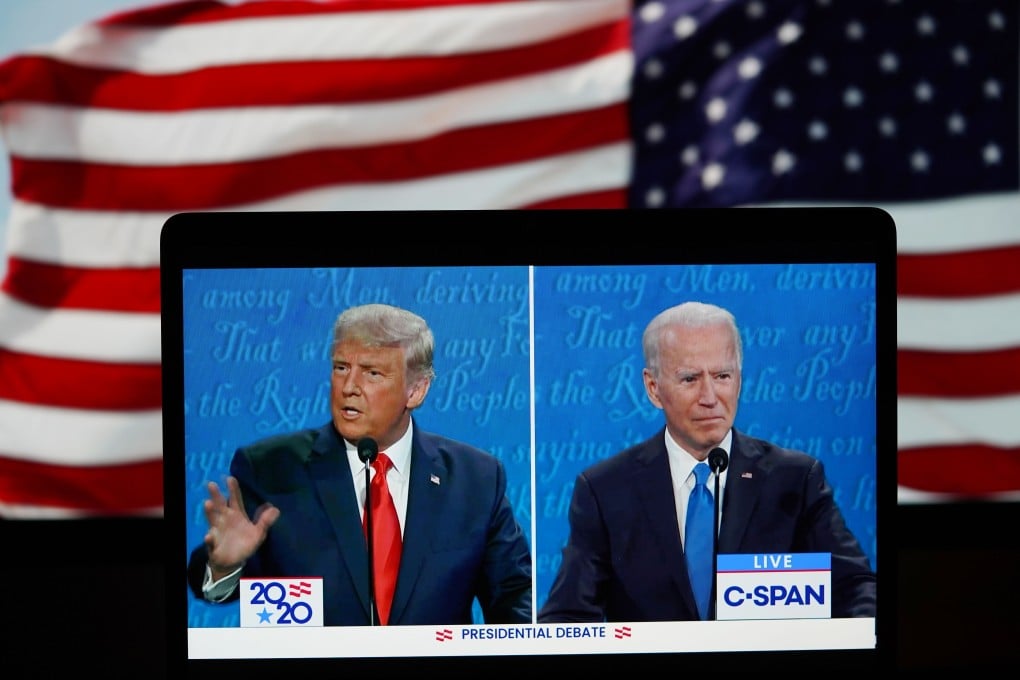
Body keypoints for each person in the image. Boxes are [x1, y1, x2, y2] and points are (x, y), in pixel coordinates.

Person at [187, 303, 532, 626]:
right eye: (341, 368)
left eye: (372, 373)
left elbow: (514, 598)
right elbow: (215, 589)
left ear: (416, 391)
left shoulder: (475, 479)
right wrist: (223, 566)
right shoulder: (271, 469)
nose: (349, 387)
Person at [538, 301, 876, 622]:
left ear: (739, 380)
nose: (710, 398)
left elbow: (857, 589)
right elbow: (568, 617)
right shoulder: (605, 490)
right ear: (654, 389)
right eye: (690, 379)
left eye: (722, 376)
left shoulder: (795, 480)